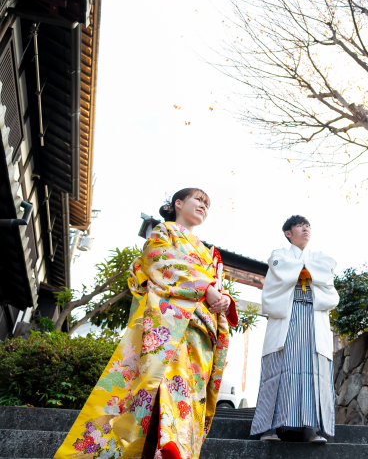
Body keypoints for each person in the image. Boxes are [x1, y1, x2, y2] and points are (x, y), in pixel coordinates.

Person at [53, 188, 238, 459]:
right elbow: (156, 260)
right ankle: (164, 446)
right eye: (198, 200)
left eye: (207, 204)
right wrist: (205, 286)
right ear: (178, 203)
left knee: (187, 390)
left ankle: (176, 447)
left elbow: (216, 288)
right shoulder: (163, 232)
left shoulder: (208, 252)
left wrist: (222, 299)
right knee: (158, 381)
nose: (203, 206)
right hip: (167, 323)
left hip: (200, 329)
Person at [250, 215, 339, 444]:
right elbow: (281, 267)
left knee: (312, 371)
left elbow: (328, 265)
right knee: (280, 370)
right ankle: (269, 428)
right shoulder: (279, 255)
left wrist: (304, 271)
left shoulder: (320, 256)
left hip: (312, 316)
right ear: (288, 233)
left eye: (308, 225)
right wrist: (308, 272)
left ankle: (311, 429)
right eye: (300, 226)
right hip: (287, 317)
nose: (305, 229)